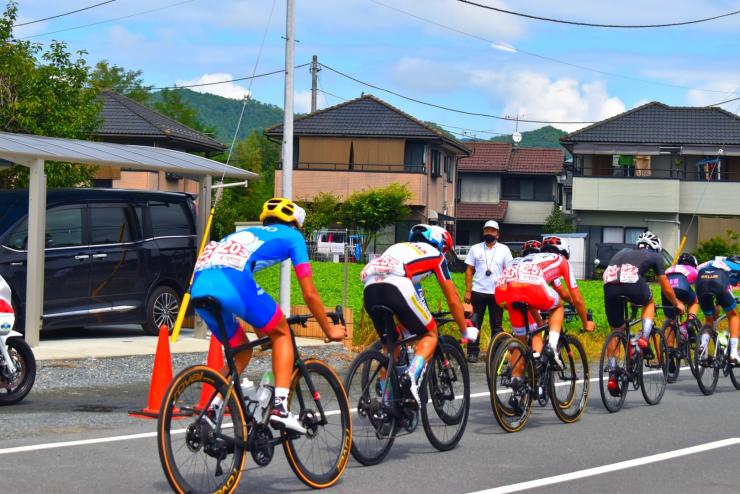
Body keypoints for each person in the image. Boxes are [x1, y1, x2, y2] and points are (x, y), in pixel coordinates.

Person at [191, 198, 346, 433]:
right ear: (295, 222)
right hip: (231, 282)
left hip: (199, 286)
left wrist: (263, 328)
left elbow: (239, 285)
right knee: (282, 332)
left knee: (242, 351)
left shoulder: (250, 234)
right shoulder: (293, 236)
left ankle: (212, 410)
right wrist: (329, 330)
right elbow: (309, 293)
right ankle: (280, 408)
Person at [361, 224, 476, 406]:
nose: (444, 254)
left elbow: (415, 297)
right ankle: (411, 377)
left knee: (391, 345)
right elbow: (452, 298)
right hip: (397, 286)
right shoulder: (435, 255)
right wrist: (464, 330)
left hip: (370, 288)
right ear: (439, 243)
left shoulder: (398, 247)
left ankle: (386, 403)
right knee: (430, 334)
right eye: (445, 250)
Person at [495, 236, 594, 379]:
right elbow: (576, 298)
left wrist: (540, 321)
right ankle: (552, 347)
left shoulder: (531, 258)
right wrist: (586, 323)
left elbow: (526, 292)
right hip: (531, 288)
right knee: (558, 305)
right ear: (565, 253)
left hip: (503, 292)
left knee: (520, 342)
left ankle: (516, 382)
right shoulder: (562, 260)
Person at [602, 231, 685, 391]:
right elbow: (665, 285)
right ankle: (644, 338)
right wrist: (676, 302)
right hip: (632, 281)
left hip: (609, 285)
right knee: (649, 303)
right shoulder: (654, 256)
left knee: (616, 330)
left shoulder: (623, 252)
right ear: (656, 247)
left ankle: (613, 374)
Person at [463, 220, 513, 362]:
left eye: (492, 231)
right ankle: (472, 353)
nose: (489, 233)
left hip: (497, 292)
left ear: (497, 234)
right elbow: (469, 270)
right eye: (487, 230)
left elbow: (509, 271)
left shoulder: (504, 250)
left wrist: (508, 291)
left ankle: (495, 354)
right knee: (474, 322)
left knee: (496, 325)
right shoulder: (475, 249)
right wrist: (468, 291)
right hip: (478, 291)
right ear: (483, 232)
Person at [695, 255, 740, 363]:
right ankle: (733, 353)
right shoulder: (737, 267)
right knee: (734, 315)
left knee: (709, 319)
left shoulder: (715, 261)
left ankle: (703, 348)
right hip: (720, 282)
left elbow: (697, 269)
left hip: (701, 283)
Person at [661, 253, 700, 346]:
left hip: (666, 290)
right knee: (695, 301)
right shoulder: (694, 270)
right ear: (694, 264)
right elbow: (699, 287)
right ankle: (690, 323)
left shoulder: (670, 268)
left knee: (670, 320)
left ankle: (669, 351)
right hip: (682, 286)